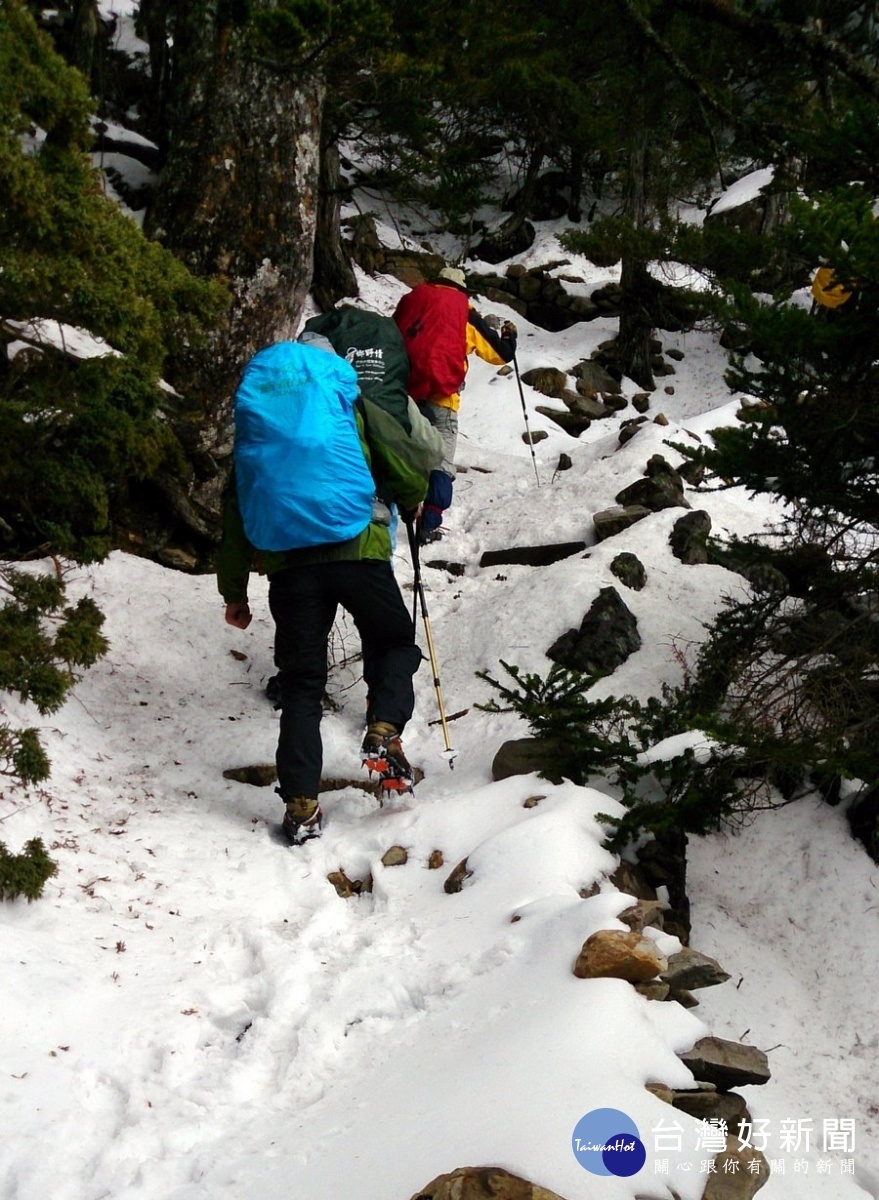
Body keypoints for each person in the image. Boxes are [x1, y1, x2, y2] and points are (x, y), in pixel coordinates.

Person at [217, 335, 441, 846]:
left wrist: (234, 590)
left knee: (300, 684)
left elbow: (236, 505)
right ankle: (384, 728)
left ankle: (301, 807)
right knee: (391, 642)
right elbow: (396, 459)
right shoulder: (346, 401)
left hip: (290, 566)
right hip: (356, 548)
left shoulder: (263, 418)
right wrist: (413, 500)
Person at [393, 266, 518, 543]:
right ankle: (429, 523)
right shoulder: (463, 310)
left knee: (402, 452)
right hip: (442, 396)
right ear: (461, 289)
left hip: (404, 394)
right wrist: (510, 337)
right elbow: (501, 355)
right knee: (441, 461)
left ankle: (395, 510)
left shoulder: (412, 301)